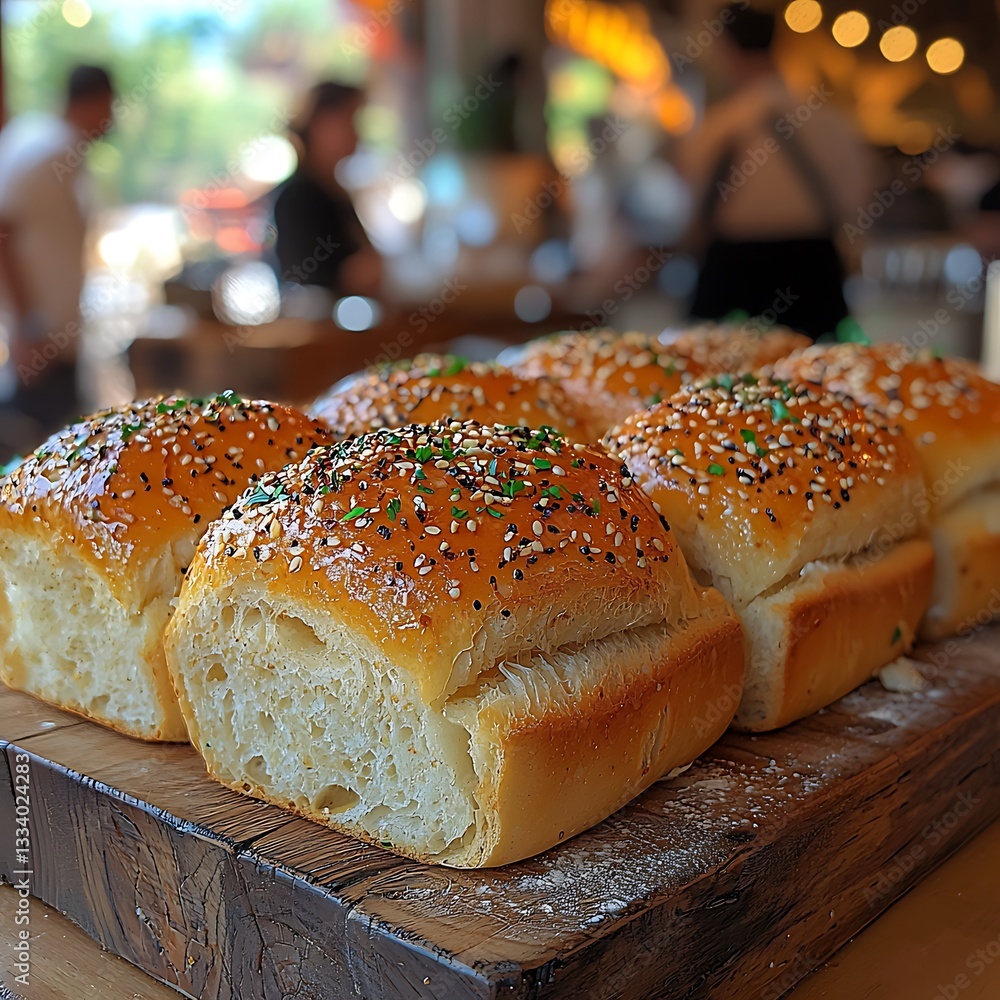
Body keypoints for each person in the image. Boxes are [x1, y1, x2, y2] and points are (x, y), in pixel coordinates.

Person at [678, 6, 873, 340]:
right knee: (819, 367)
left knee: (713, 367)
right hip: (812, 268)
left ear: (727, 49)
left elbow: (687, 209)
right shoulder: (831, 123)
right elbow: (857, 200)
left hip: (731, 270)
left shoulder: (715, 129)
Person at [0, 65, 114, 438]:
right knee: (43, 453)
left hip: (49, 340)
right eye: (110, 107)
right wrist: (27, 327)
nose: (111, 119)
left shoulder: (40, 139)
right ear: (97, 102)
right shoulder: (50, 149)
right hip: (41, 342)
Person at [271, 82, 381, 300]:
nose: (357, 134)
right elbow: (307, 282)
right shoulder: (299, 197)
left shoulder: (333, 191)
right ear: (319, 125)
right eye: (350, 119)